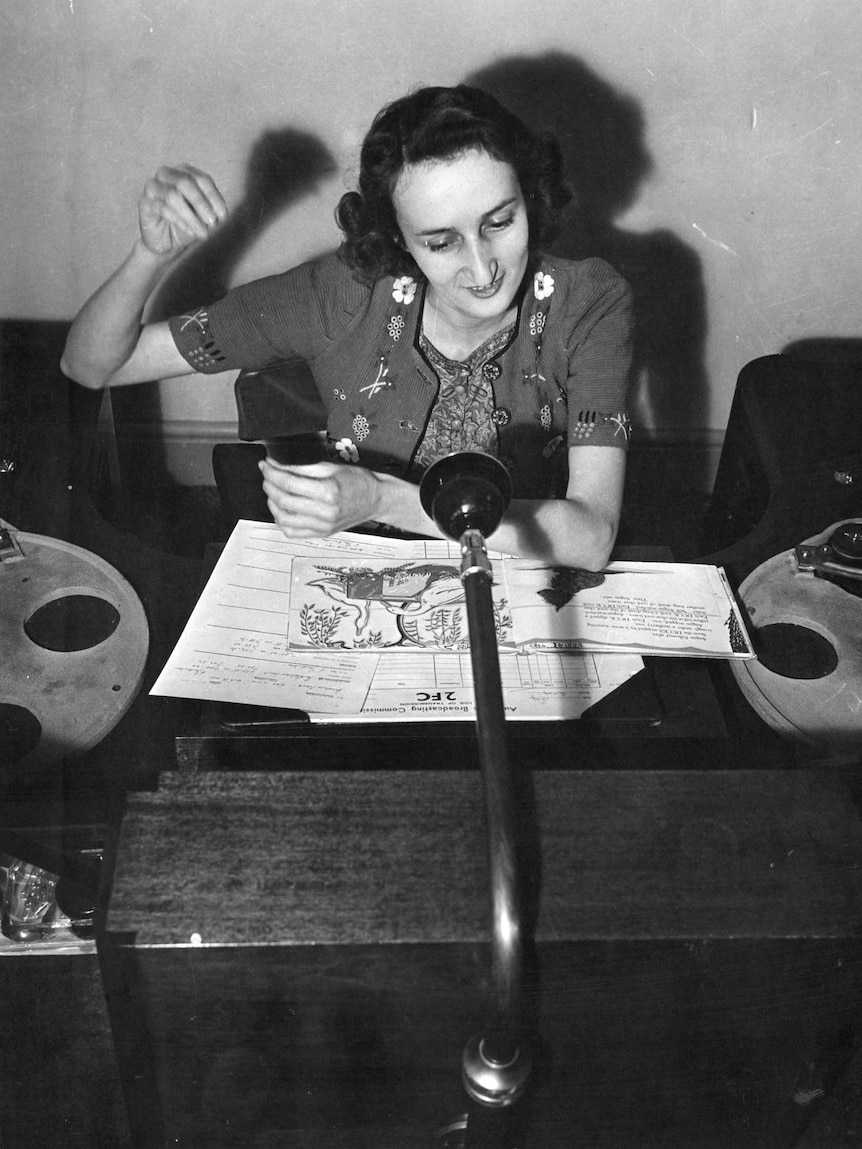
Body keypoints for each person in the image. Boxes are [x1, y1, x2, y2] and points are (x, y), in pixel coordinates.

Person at [61, 85, 633, 569]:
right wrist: (150, 255)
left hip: (519, 581)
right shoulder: (343, 293)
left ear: (531, 199)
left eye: (500, 222)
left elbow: (592, 537)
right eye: (441, 242)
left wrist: (381, 499)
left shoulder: (587, 303)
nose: (482, 268)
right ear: (396, 241)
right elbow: (89, 367)